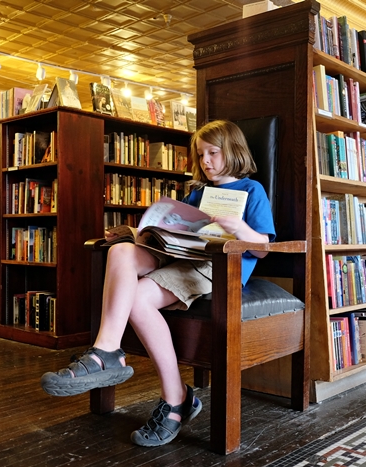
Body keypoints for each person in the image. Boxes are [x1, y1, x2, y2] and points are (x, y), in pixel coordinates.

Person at [40, 120, 276, 447]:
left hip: (215, 265)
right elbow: (179, 231)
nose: (206, 160)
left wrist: (239, 229)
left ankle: (176, 398)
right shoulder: (197, 193)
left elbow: (263, 249)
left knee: (137, 299)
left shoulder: (251, 190)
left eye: (213, 153)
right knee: (121, 249)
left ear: (233, 151)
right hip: (180, 255)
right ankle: (106, 351)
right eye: (200, 154)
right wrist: (139, 234)